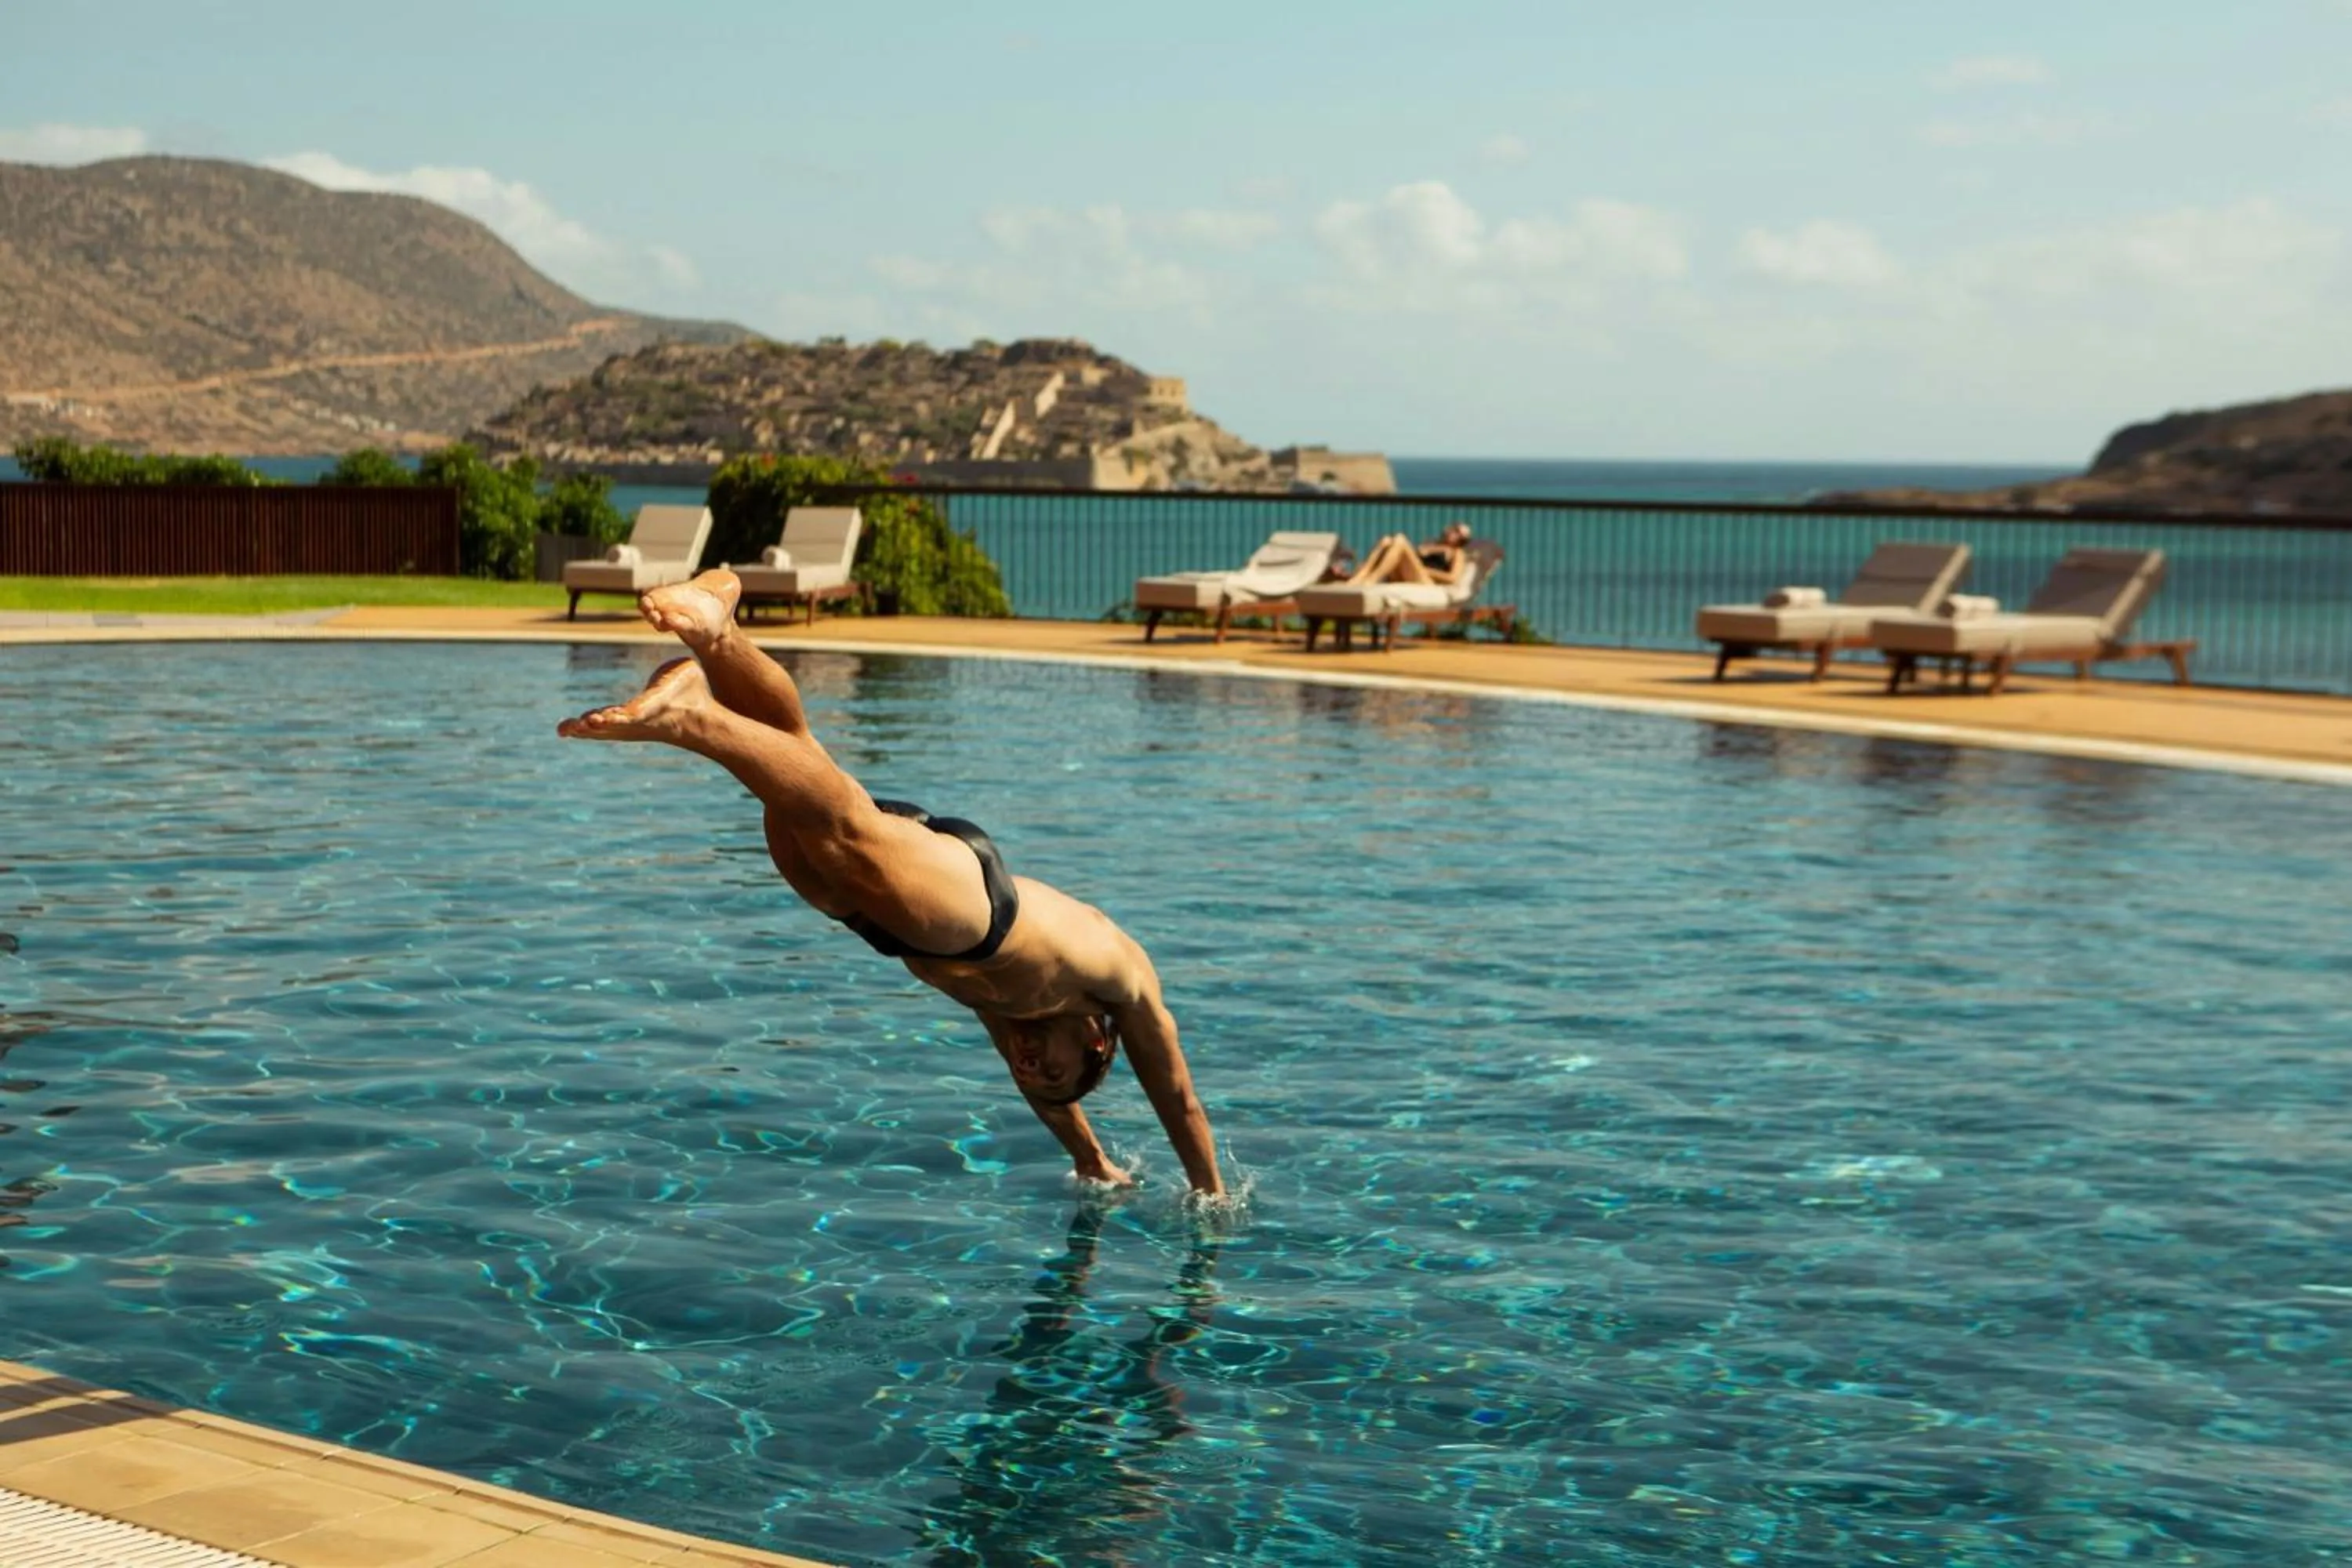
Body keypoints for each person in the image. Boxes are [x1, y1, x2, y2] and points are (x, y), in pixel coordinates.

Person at [557, 568, 1224, 1197]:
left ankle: (719, 631)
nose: (1029, 1064)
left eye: (1033, 1073)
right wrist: (1209, 1195)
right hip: (975, 907)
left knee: (791, 764)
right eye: (1050, 1066)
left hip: (882, 923)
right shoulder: (1121, 983)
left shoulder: (1013, 1022)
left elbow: (1047, 1095)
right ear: (1096, 1040)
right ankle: (694, 717)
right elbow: (1179, 1098)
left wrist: (1090, 1159)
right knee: (841, 825)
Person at [1341, 519, 1472, 588]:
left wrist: (1424, 570)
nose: (1452, 531)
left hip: (1427, 582)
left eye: (1458, 532)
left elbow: (1452, 578)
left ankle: (1373, 579)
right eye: (1454, 527)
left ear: (1461, 541)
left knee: (1400, 539)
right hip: (1408, 575)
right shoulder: (1431, 543)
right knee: (1386, 540)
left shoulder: (1457, 553)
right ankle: (1362, 574)